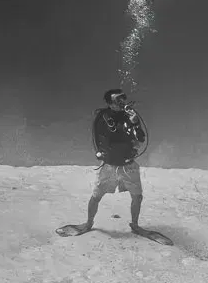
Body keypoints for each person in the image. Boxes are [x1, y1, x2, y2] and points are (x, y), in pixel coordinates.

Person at [61, 87, 150, 237]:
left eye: (123, 98)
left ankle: (135, 225)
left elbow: (141, 138)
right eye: (118, 99)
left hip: (129, 164)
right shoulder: (103, 117)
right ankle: (88, 223)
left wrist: (135, 123)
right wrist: (100, 152)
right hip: (109, 166)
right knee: (96, 196)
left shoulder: (130, 116)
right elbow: (98, 137)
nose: (122, 102)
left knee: (137, 196)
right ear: (110, 103)